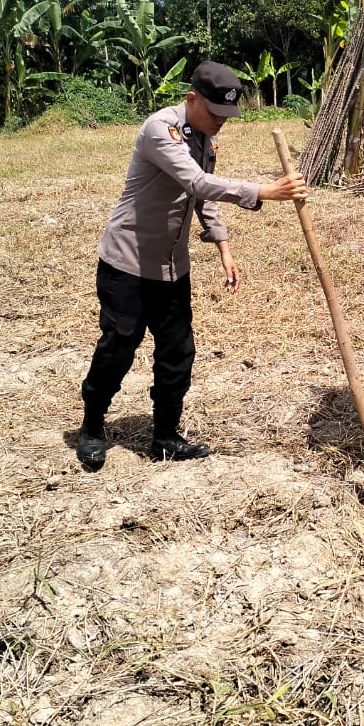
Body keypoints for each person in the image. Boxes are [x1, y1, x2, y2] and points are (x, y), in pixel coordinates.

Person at [78, 61, 307, 470]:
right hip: (127, 264)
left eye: (227, 116)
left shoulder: (205, 139)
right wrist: (263, 191)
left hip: (171, 269)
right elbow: (197, 182)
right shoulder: (159, 130)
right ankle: (93, 426)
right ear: (192, 98)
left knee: (177, 353)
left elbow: (203, 199)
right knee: (118, 348)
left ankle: (164, 436)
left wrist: (223, 244)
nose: (221, 122)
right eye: (215, 113)